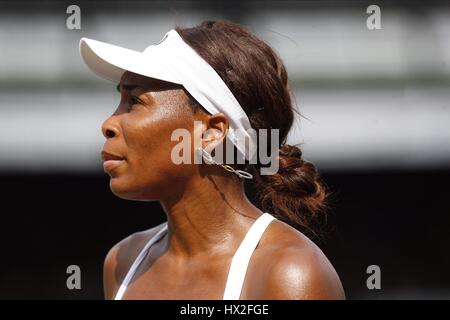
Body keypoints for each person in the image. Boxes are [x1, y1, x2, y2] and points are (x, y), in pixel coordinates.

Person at [79, 20, 345, 300]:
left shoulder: (290, 274)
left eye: (134, 101)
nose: (108, 123)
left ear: (210, 132)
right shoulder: (122, 262)